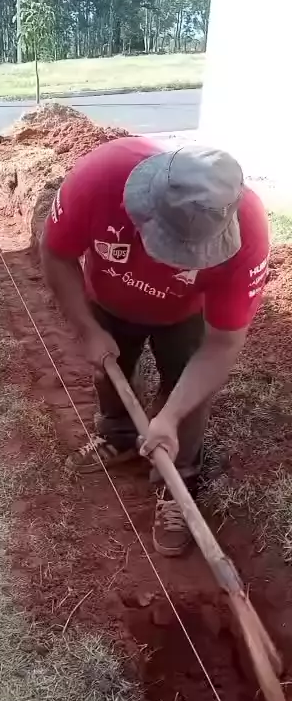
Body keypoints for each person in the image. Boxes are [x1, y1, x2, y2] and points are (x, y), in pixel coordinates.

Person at [40, 138, 269, 557]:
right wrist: (88, 330)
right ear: (142, 207)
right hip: (110, 298)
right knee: (110, 369)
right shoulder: (99, 178)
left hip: (185, 314)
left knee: (188, 390)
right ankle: (119, 435)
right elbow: (56, 254)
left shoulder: (249, 232)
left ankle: (177, 484)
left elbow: (222, 343)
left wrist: (171, 415)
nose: (170, 263)